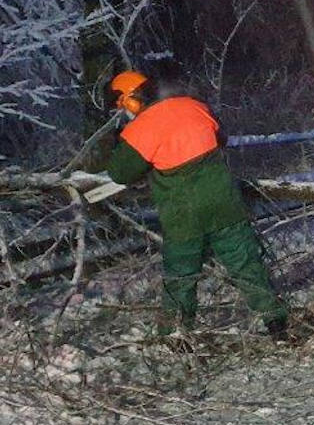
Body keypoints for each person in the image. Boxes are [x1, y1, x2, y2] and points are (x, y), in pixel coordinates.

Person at [105, 69, 288, 339]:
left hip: (183, 214)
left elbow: (120, 173)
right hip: (224, 203)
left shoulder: (139, 129)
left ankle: (176, 334)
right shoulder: (197, 107)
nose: (125, 112)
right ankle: (277, 323)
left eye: (123, 106)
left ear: (131, 99)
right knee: (247, 264)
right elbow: (220, 139)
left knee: (181, 275)